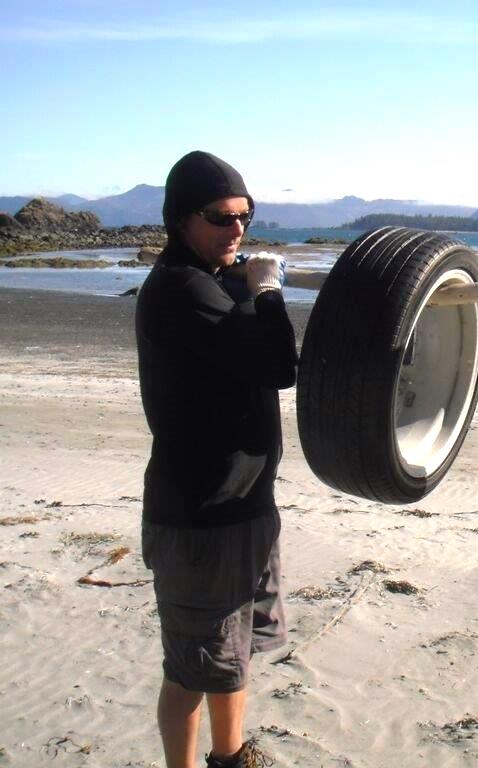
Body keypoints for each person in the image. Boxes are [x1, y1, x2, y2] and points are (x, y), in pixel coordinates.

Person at [136, 150, 296, 768]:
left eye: (245, 217)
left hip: (246, 507)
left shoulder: (210, 277)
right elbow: (278, 364)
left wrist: (250, 280)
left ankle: (232, 758)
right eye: (220, 217)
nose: (236, 230)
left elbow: (241, 307)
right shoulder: (181, 289)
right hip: (200, 520)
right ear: (181, 220)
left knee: (233, 657)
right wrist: (269, 290)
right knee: (191, 671)